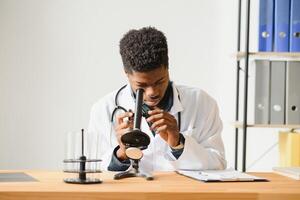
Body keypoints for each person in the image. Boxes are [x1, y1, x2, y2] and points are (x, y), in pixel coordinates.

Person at [88, 27, 226, 172]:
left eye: (159, 81)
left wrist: (178, 143)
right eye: (142, 85)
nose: (152, 92)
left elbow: (218, 163)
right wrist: (121, 153)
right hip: (130, 195)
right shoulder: (104, 109)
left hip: (181, 194)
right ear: (127, 74)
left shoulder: (201, 102)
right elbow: (94, 169)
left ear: (168, 68)